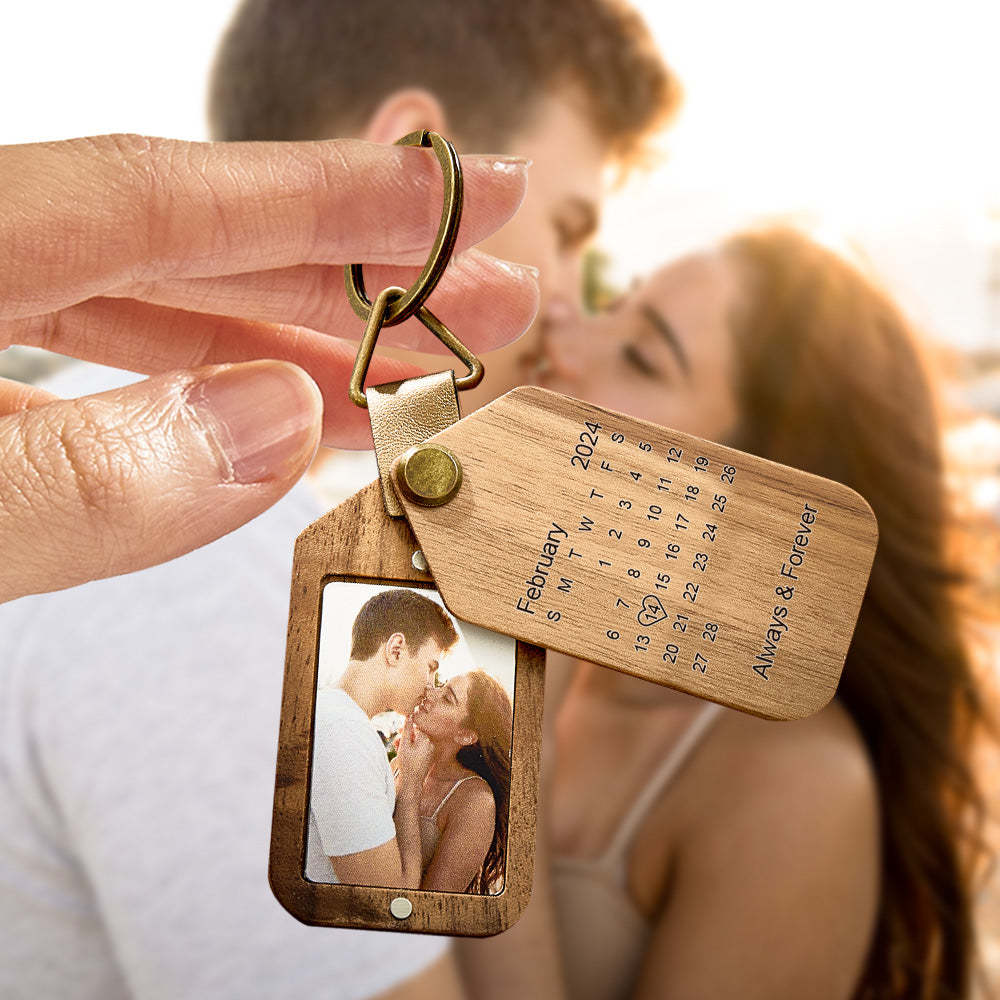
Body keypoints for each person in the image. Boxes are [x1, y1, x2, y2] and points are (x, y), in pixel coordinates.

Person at [0, 2, 677, 998]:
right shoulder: (226, 572)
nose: (575, 300)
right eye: (569, 228)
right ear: (418, 170)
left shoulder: (118, 428)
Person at [460, 227, 993, 999]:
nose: (566, 330)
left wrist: (514, 751)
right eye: (616, 305)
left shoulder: (794, 788)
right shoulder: (515, 641)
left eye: (643, 354)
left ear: (749, 502)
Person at [307, 589, 458, 888]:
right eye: (430, 669)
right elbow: (391, 896)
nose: (430, 687)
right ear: (396, 649)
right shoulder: (345, 735)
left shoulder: (334, 717)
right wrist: (411, 785)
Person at [402, 670, 514, 894]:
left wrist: (411, 784)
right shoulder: (405, 762)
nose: (430, 693)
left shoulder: (475, 800)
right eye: (440, 685)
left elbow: (434, 906)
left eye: (447, 698)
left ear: (465, 735)